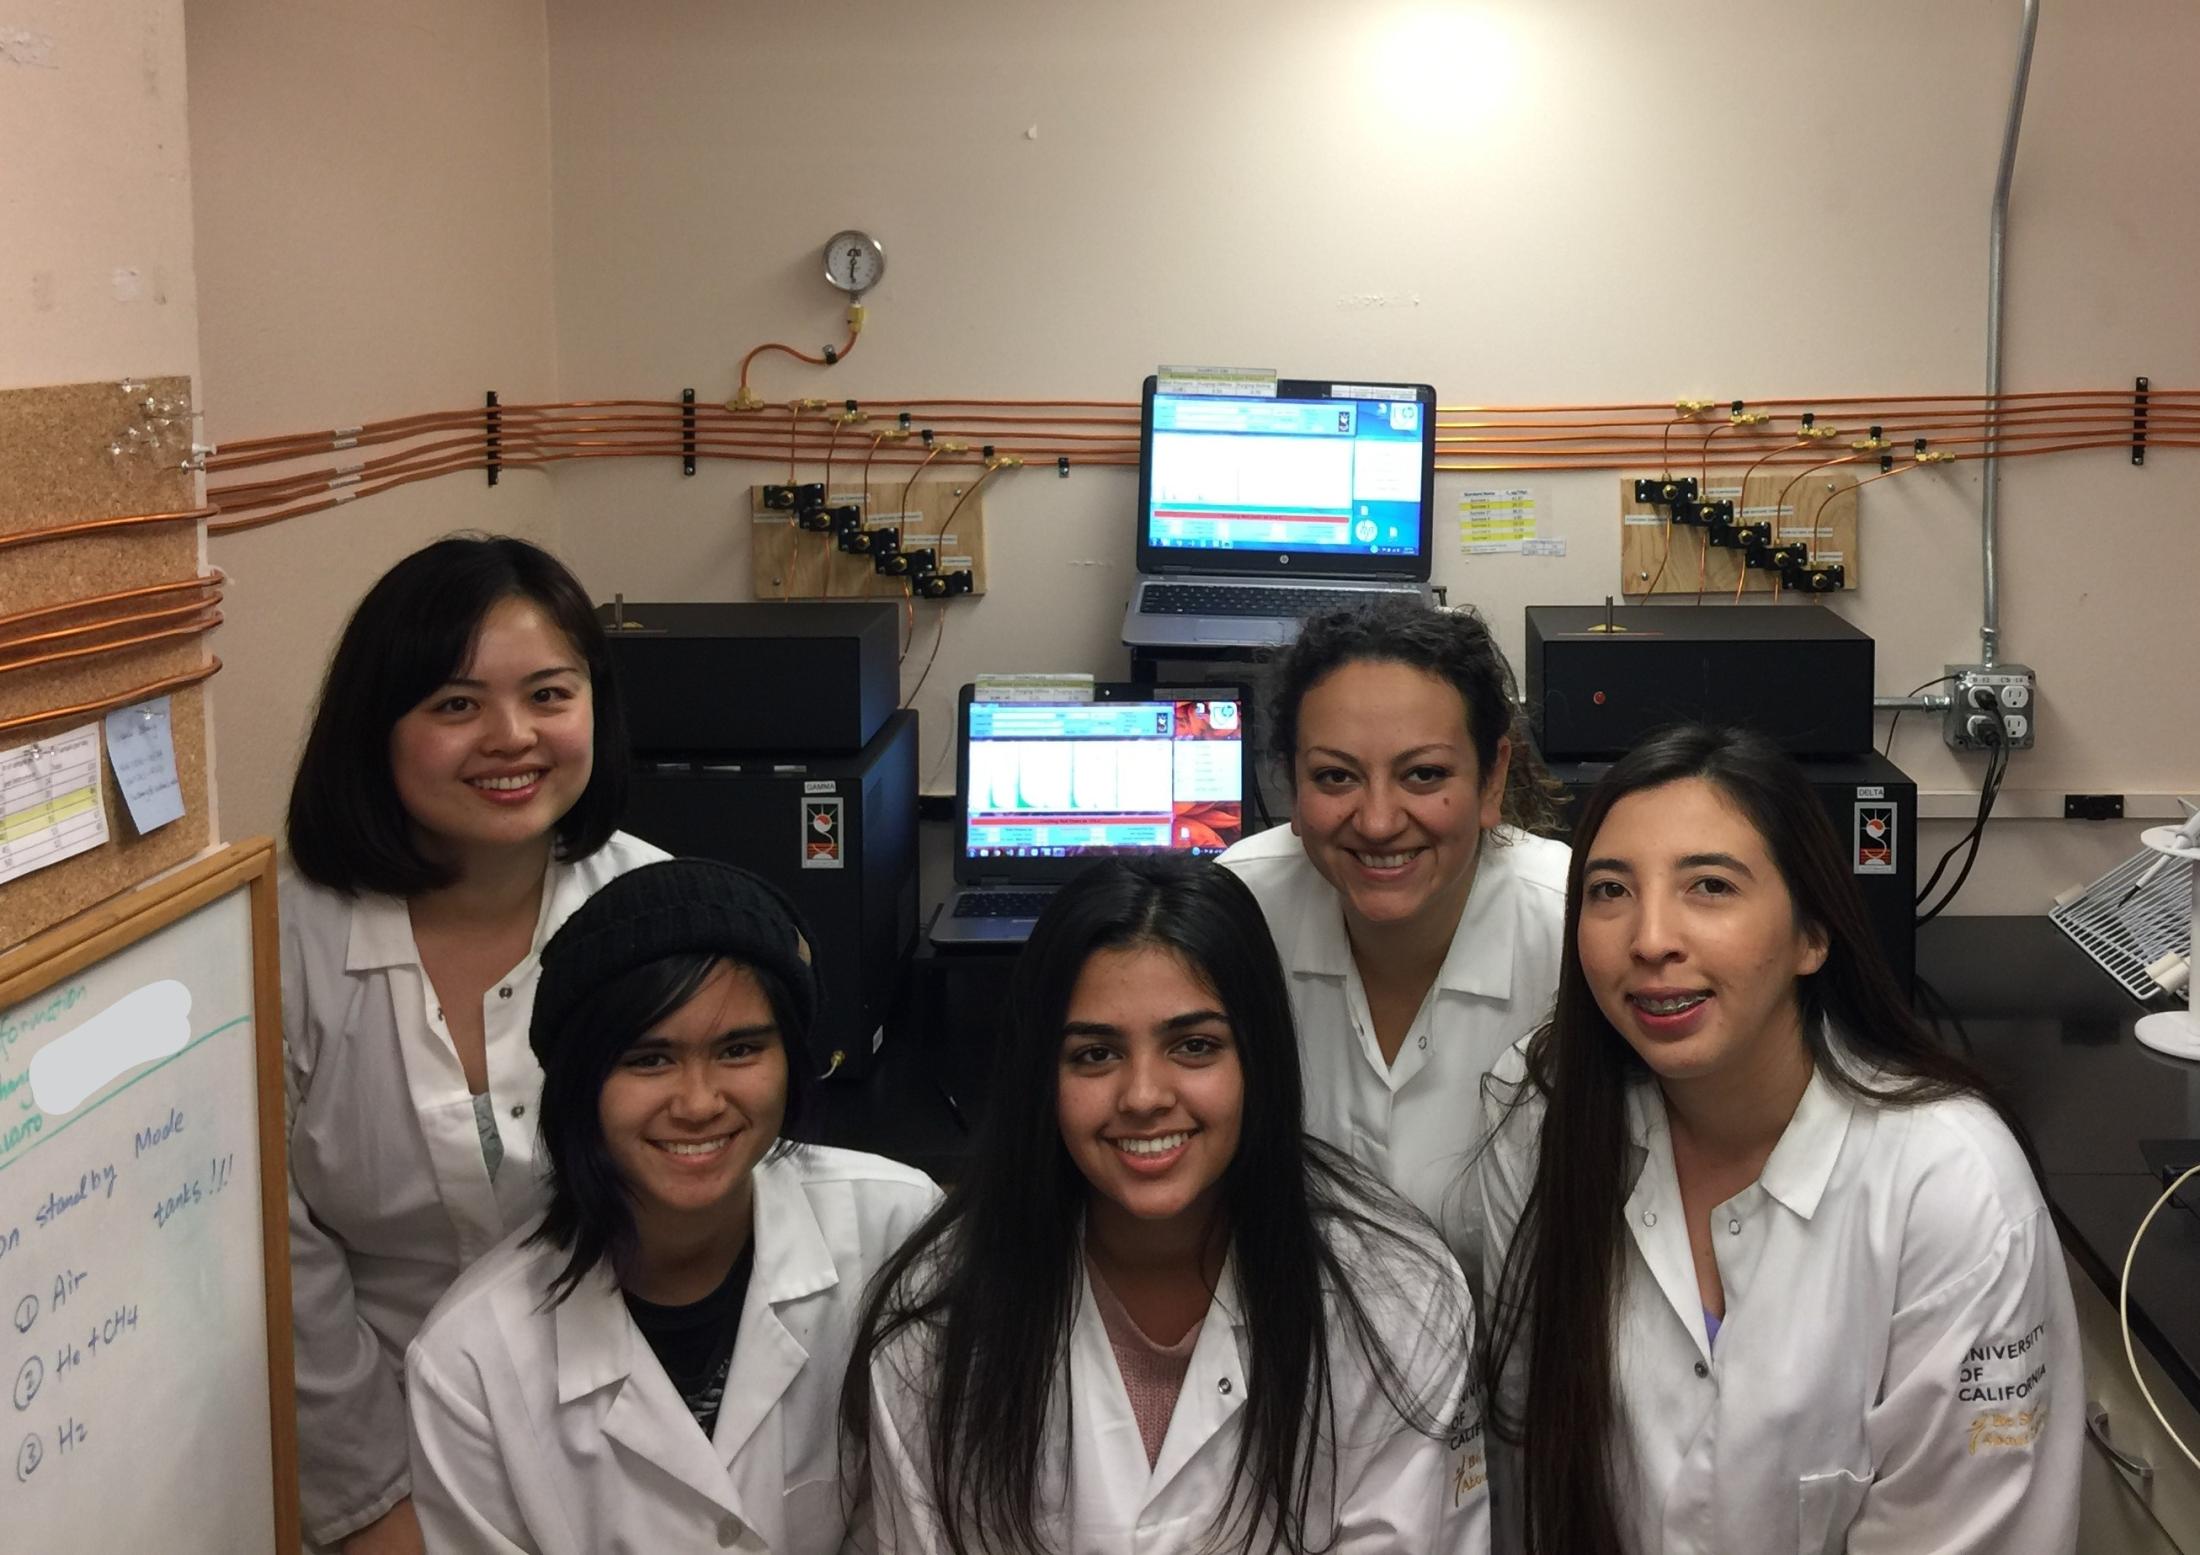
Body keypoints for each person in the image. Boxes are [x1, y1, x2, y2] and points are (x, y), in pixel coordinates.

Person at [1478, 725, 2081, 1555]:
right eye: (1610, 890)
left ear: (1812, 935)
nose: (1650, 938)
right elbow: (1522, 1480)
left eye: (1711, 886)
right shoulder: (1542, 1115)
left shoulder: (1948, 1183)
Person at [847, 856, 1487, 1554]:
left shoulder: (1396, 1295)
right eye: (1095, 1054)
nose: (1144, 1095)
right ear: (1041, 1075)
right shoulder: (938, 1320)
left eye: (1194, 1045)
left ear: (1259, 1058)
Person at [281, 535, 667, 1553]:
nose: (512, 737)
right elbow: (281, 1267)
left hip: (642, 1436)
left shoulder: (658, 917)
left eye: (549, 694)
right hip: (378, 1463)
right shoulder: (281, 947)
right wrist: (373, 1507)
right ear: (378, 728)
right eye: (455, 705)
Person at [405, 858, 941, 1553]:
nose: (698, 1102)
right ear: (579, 1085)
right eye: (649, 1059)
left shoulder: (897, 1229)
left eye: (739, 1048)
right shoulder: (469, 1364)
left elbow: (929, 1516)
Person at [1218, 597, 1568, 1267]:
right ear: (1291, 784)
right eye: (1335, 776)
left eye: (1424, 774)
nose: (1377, 821)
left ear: (1492, 778)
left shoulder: (1574, 926)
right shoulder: (1239, 909)